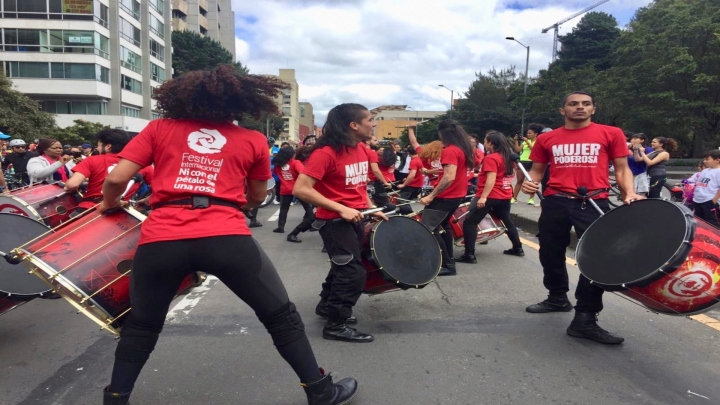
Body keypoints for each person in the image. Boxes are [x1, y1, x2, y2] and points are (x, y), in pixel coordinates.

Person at [97, 65, 357, 405]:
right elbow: (256, 196)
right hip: (226, 236)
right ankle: (320, 390)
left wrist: (108, 203)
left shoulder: (160, 127)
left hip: (162, 237)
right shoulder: (252, 139)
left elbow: (116, 179)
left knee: (142, 326)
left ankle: (116, 398)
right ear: (240, 103)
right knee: (280, 316)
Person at [521, 91, 644, 345]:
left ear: (593, 109)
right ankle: (557, 297)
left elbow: (622, 169)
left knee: (596, 258)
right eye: (573, 104)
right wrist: (530, 185)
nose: (580, 107)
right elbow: (537, 171)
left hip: (593, 201)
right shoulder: (547, 138)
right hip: (555, 201)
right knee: (549, 252)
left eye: (585, 104)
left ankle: (585, 318)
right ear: (562, 110)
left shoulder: (611, 133)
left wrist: (629, 193)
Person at [293, 103, 388, 344]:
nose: (374, 124)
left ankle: (327, 306)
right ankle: (336, 324)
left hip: (354, 217)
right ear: (353, 125)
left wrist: (368, 207)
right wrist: (341, 208)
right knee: (353, 272)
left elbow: (357, 186)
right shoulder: (325, 153)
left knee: (343, 266)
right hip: (334, 222)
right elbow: (301, 189)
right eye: (370, 120)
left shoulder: (361, 150)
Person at [455, 131, 524, 264]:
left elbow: (491, 179)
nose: (484, 143)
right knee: (506, 221)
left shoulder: (492, 158)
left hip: (489, 195)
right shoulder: (509, 157)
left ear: (491, 143)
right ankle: (517, 248)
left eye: (485, 141)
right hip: (504, 195)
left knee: (470, 222)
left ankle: (469, 254)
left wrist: (483, 197)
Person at [417, 120, 475, 277]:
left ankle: (447, 264)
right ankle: (449, 259)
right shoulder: (461, 149)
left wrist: (431, 195)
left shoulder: (450, 150)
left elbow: (449, 177)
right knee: (444, 226)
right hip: (456, 195)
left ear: (443, 133)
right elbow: (449, 173)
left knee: (428, 228)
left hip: (446, 196)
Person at [64, 129, 146, 213]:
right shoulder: (138, 164)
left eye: (99, 145)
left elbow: (72, 184)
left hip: (90, 209)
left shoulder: (92, 160)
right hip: (119, 213)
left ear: (108, 147)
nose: (97, 148)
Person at [272, 146, 315, 242]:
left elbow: (276, 174)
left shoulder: (278, 164)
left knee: (283, 209)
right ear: (292, 154)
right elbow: (303, 174)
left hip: (285, 189)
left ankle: (280, 227)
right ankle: (311, 225)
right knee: (308, 208)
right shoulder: (295, 163)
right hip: (298, 189)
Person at [512, 123, 543, 205]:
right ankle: (514, 197)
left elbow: (534, 150)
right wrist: (516, 141)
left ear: (536, 134)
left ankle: (531, 199)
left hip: (532, 162)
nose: (528, 134)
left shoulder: (538, 141)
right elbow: (517, 150)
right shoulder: (526, 141)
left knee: (531, 181)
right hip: (522, 161)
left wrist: (527, 142)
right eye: (527, 133)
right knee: (519, 180)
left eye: (530, 133)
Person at [691, 150, 720, 228]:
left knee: (712, 223)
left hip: (709, 201)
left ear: (717, 160)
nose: (705, 161)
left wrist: (714, 200)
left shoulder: (718, 172)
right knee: (699, 223)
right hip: (698, 200)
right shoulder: (704, 171)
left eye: (707, 159)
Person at [397, 145, 424, 214]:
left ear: (408, 153)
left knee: (401, 200)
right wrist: (407, 178)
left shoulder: (414, 161)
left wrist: (404, 184)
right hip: (418, 184)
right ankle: (406, 213)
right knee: (405, 200)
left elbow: (412, 174)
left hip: (412, 185)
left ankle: (409, 214)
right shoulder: (419, 159)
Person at [366, 136, 392, 207]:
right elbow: (375, 170)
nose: (377, 142)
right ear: (368, 142)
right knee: (385, 205)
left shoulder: (360, 152)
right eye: (375, 140)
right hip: (373, 182)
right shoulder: (371, 153)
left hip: (364, 182)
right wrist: (385, 182)